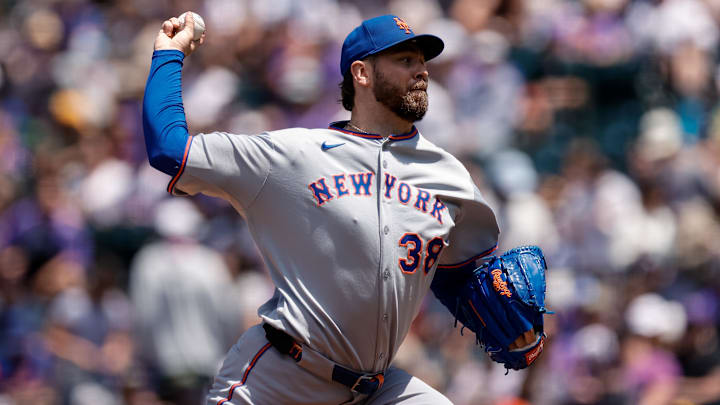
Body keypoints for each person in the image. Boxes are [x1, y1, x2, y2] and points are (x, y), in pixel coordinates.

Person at [143, 12, 539, 405]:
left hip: (375, 389)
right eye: (405, 61)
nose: (421, 71)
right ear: (361, 74)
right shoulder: (291, 155)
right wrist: (168, 54)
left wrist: (506, 317)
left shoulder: (448, 174)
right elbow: (169, 149)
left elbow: (461, 276)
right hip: (281, 380)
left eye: (422, 61)